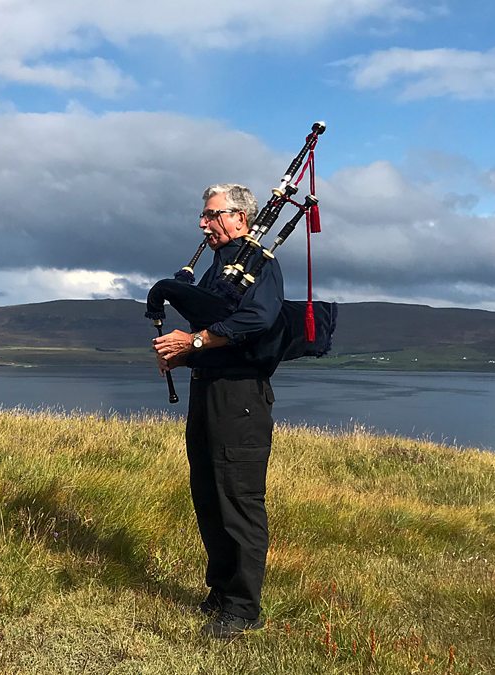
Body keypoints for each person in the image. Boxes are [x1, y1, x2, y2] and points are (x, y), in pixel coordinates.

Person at [152, 183, 283, 639]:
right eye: (204, 215)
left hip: (240, 399)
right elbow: (212, 334)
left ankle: (244, 609)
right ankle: (221, 594)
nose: (202, 223)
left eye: (211, 214)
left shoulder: (261, 266)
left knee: (239, 501)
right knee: (208, 495)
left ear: (240, 218)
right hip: (207, 392)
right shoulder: (217, 272)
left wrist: (194, 341)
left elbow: (258, 320)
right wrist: (183, 353)